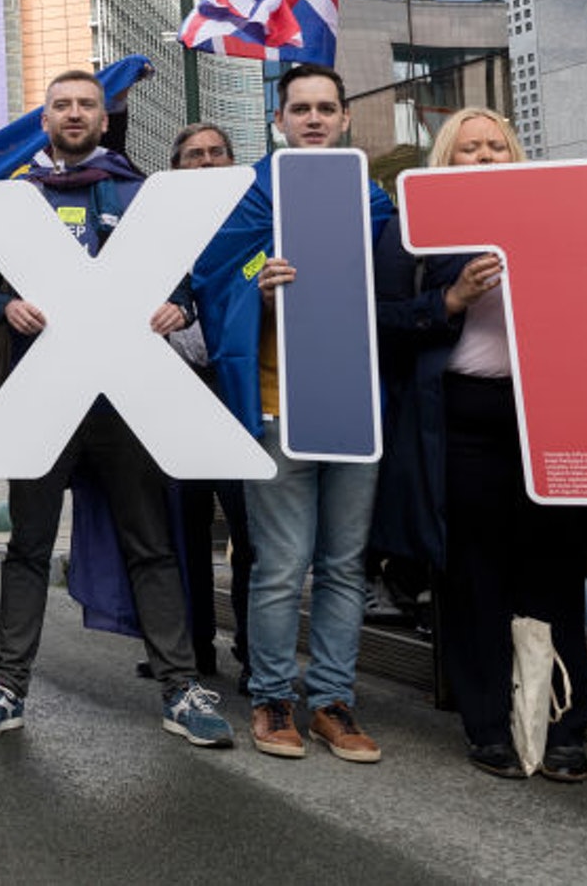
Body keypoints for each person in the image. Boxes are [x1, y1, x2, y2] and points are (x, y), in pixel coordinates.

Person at [0, 70, 229, 748]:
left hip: (124, 396)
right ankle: (6, 684)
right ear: (45, 118)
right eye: (61, 105)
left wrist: (180, 306)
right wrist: (4, 304)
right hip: (44, 391)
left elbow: (184, 283)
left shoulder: (136, 191)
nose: (75, 113)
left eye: (86, 104)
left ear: (104, 120)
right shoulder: (18, 199)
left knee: (151, 543)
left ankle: (179, 685)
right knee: (27, 545)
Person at [370, 107, 587, 782]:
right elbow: (382, 320)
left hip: (549, 415)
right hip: (462, 420)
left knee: (554, 568)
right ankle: (488, 723)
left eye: (495, 145)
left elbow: (584, 317)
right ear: (446, 160)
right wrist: (448, 299)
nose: (483, 155)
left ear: (515, 154)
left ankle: (566, 724)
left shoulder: (556, 216)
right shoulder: (409, 230)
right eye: (468, 147)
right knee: (474, 574)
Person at [196, 63, 393, 762]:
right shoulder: (253, 194)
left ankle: (333, 701)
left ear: (345, 119)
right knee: (280, 564)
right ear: (278, 122)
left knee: (345, 566)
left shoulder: (374, 202)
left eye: (325, 108)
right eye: (299, 108)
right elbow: (215, 280)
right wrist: (262, 286)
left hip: (354, 408)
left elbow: (398, 297)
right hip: (281, 406)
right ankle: (272, 695)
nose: (313, 118)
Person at [162, 122, 254, 688]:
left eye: (217, 153)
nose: (206, 162)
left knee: (250, 531)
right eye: (194, 155)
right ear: (177, 168)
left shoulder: (252, 224)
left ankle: (252, 648)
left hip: (236, 389)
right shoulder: (156, 230)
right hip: (173, 391)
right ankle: (193, 650)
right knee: (181, 529)